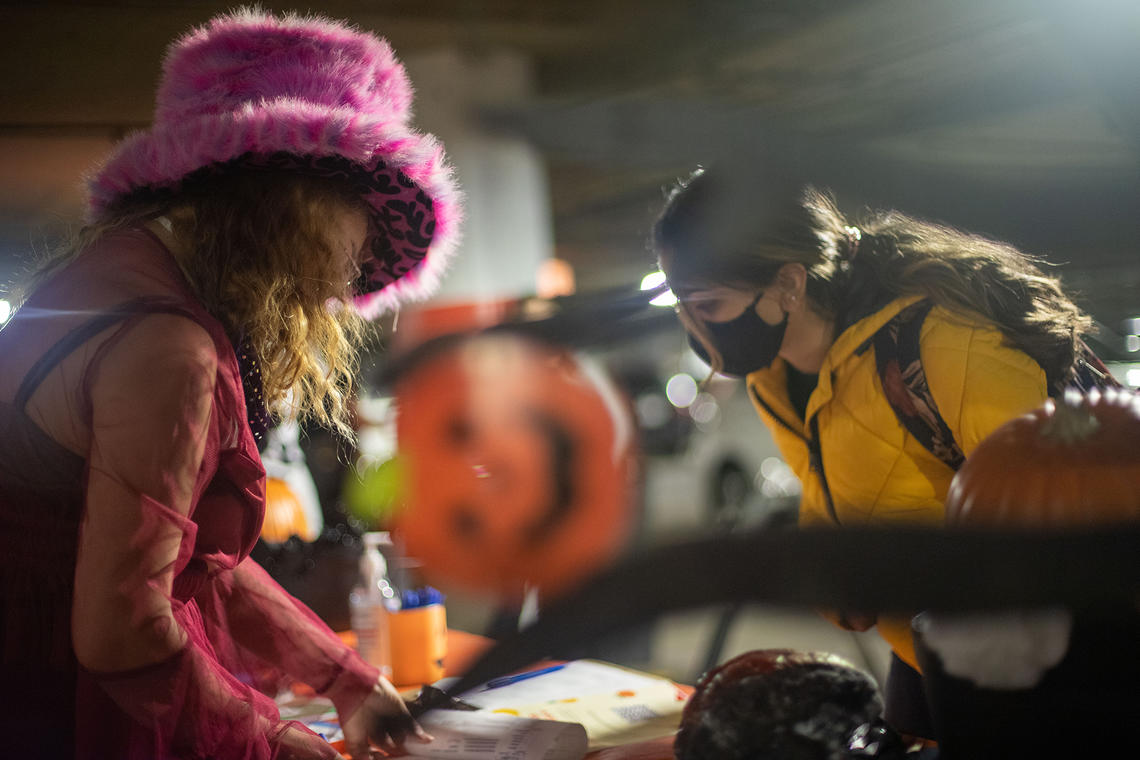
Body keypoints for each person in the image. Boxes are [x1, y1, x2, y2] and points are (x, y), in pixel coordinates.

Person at [0, 9, 460, 759]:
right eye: (362, 219)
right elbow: (122, 631)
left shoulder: (119, 271)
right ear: (297, 199)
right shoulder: (170, 347)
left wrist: (342, 677)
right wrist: (275, 741)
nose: (357, 265)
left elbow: (189, 556)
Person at [652, 165, 1105, 740]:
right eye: (683, 307)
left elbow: (1060, 529)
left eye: (709, 306)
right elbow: (827, 495)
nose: (694, 329)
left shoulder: (948, 345)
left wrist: (894, 571)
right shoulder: (772, 376)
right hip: (923, 657)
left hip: (1041, 673)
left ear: (789, 284)